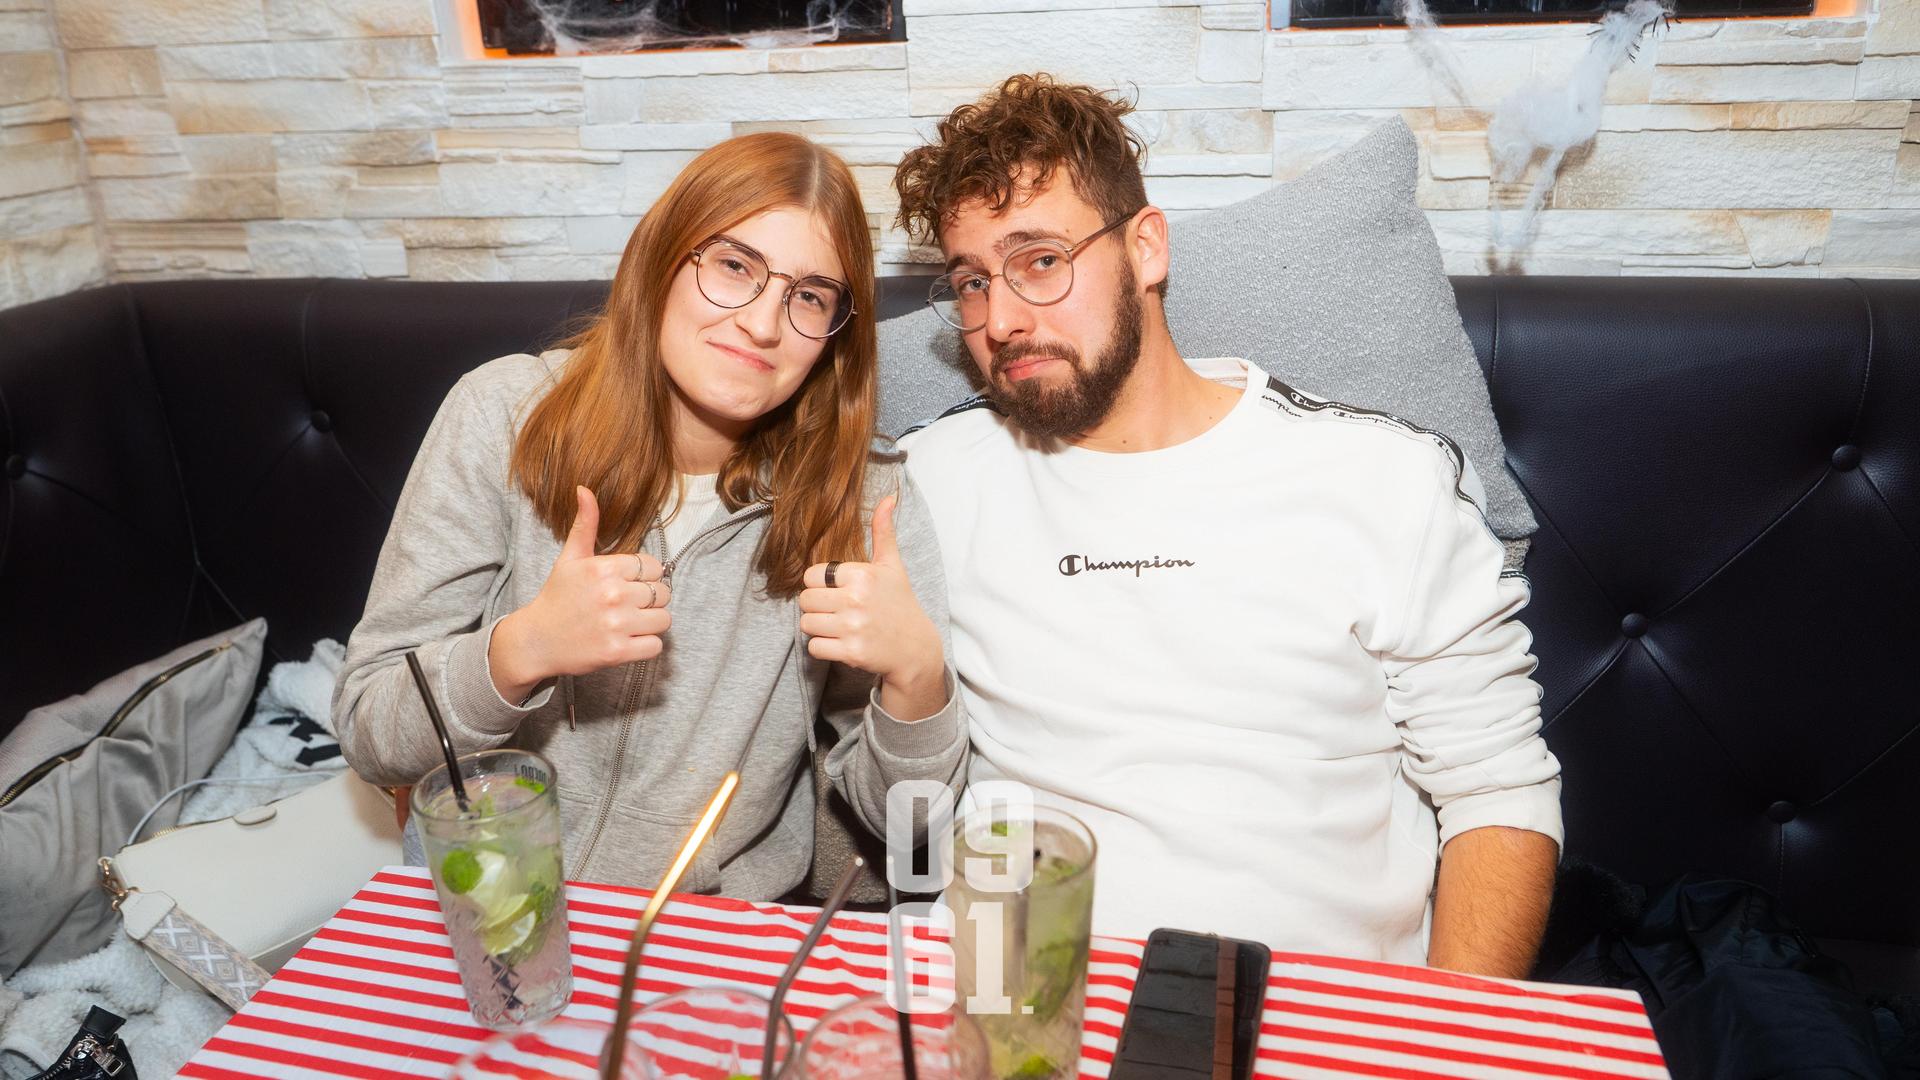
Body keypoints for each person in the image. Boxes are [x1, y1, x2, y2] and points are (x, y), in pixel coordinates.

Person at [892, 75, 1562, 977]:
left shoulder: (1381, 476)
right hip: (1019, 1015)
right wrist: (926, 972)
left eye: (1041, 260)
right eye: (972, 282)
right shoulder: (931, 478)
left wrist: (1440, 1045)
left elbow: (1498, 793)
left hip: (1317, 1022)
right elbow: (904, 796)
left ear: (1146, 249)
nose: (1001, 320)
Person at [333, 132, 966, 899]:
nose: (763, 325)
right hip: (494, 908)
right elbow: (371, 731)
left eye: (807, 296)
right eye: (734, 266)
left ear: (835, 332)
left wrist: (919, 680)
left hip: (711, 939)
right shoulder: (502, 416)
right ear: (663, 259)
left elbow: (913, 825)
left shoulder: (865, 496)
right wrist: (518, 650)